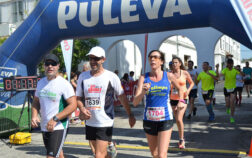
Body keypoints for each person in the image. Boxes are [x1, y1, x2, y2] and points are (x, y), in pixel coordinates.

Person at [76, 46, 136, 158]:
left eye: (96, 59)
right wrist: (82, 108)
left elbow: (122, 97)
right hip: (90, 121)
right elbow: (78, 98)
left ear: (103, 59)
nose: (93, 61)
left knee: (99, 155)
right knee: (99, 153)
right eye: (91, 58)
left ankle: (109, 146)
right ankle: (111, 147)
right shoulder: (83, 77)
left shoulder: (111, 76)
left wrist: (130, 115)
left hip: (105, 120)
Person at [133, 50, 186, 158]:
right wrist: (143, 92)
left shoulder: (169, 76)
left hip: (165, 118)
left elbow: (180, 89)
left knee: (162, 155)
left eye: (156, 57)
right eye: (150, 57)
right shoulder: (143, 78)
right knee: (155, 154)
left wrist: (181, 100)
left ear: (161, 61)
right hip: (149, 119)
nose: (152, 59)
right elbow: (135, 102)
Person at [31, 54, 77, 158]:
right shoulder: (40, 83)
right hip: (45, 125)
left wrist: (55, 119)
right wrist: (34, 115)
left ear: (58, 66)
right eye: (47, 64)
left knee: (51, 156)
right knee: (58, 153)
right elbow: (36, 102)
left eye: (53, 64)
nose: (50, 66)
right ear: (44, 66)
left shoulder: (64, 84)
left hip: (59, 125)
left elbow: (73, 105)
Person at [170, 56, 194, 149]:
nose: (174, 64)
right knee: (177, 120)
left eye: (176, 62)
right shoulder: (169, 74)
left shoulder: (184, 73)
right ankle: (182, 136)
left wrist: (188, 90)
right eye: (173, 63)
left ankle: (181, 139)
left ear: (180, 63)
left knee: (179, 119)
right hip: (173, 98)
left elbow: (192, 83)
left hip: (183, 98)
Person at [216, 59, 243, 123]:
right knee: (227, 103)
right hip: (226, 88)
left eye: (231, 64)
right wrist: (217, 68)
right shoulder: (225, 70)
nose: (230, 65)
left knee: (232, 102)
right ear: (227, 64)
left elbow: (243, 75)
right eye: (229, 64)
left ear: (233, 64)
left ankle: (232, 117)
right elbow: (218, 76)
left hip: (233, 88)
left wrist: (239, 70)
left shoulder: (235, 70)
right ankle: (227, 108)